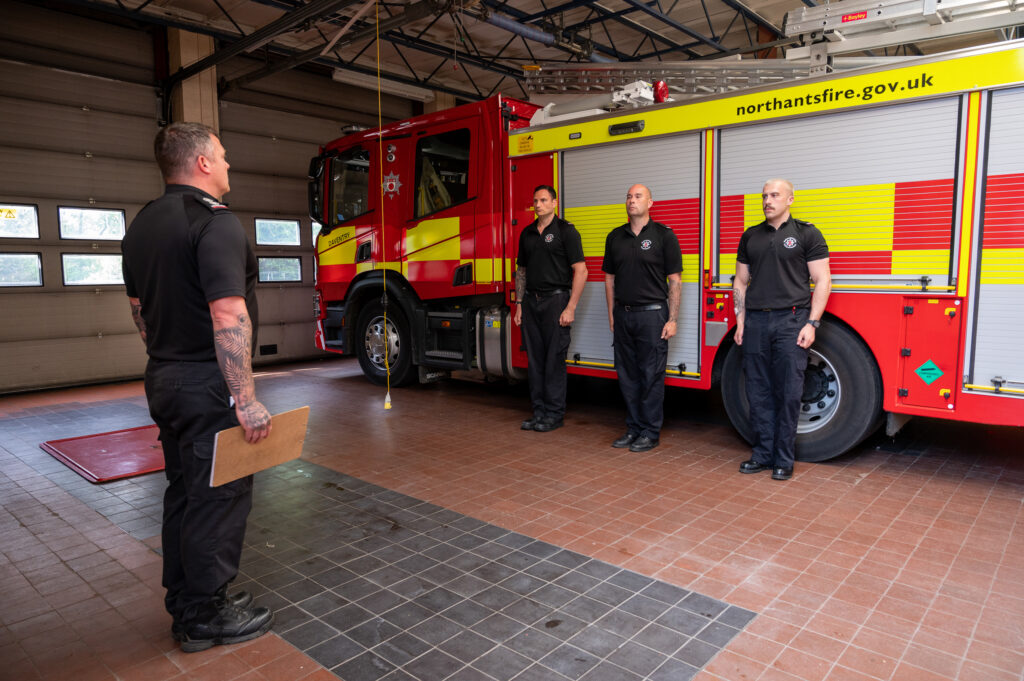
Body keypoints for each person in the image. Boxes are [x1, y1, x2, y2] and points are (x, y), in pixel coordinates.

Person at [121, 122, 274, 652]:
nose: (229, 166)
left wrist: (169, 362)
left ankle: (185, 603)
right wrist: (246, 399)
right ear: (203, 162)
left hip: (164, 375)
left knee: (185, 490)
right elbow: (228, 312)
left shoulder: (141, 225)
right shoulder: (215, 223)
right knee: (220, 493)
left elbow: (140, 311)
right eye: (224, 157)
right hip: (208, 381)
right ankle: (207, 615)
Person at [733, 179, 831, 480]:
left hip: (791, 321)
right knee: (758, 392)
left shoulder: (807, 233)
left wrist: (812, 323)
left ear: (790, 199)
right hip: (756, 323)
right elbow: (739, 281)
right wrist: (740, 320)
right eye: (764, 196)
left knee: (788, 392)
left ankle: (783, 459)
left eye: (774, 195)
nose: (767, 200)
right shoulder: (751, 236)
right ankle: (762, 454)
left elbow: (823, 280)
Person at [602, 184, 682, 452]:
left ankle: (650, 431)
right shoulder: (615, 237)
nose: (631, 201)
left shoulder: (664, 236)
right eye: (628, 196)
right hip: (624, 316)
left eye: (637, 196)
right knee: (627, 376)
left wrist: (672, 319)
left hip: (653, 316)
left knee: (651, 376)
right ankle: (634, 428)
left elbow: (675, 281)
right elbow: (609, 280)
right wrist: (612, 314)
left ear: (650, 202)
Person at [514, 185, 587, 432]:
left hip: (556, 302)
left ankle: (554, 415)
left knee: (554, 360)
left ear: (555, 203)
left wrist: (571, 307)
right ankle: (539, 412)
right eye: (535, 201)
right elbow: (521, 271)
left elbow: (581, 270)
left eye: (544, 200)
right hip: (531, 303)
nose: (538, 205)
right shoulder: (527, 234)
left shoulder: (566, 231)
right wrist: (519, 304)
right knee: (535, 360)